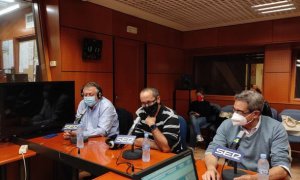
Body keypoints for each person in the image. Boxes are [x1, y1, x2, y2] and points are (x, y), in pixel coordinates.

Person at [202, 90, 291, 180]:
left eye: (240, 112)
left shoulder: (276, 128)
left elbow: (282, 168)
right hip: (233, 175)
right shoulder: (227, 124)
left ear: (255, 114)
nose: (234, 115)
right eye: (234, 110)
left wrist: (253, 178)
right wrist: (211, 168)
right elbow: (212, 151)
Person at [132, 87, 183, 153]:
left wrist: (152, 125)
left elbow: (166, 148)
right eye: (143, 103)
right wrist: (159, 145)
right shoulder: (140, 113)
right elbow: (135, 140)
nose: (146, 106)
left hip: (172, 156)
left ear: (158, 99)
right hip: (149, 152)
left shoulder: (170, 116)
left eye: (149, 102)